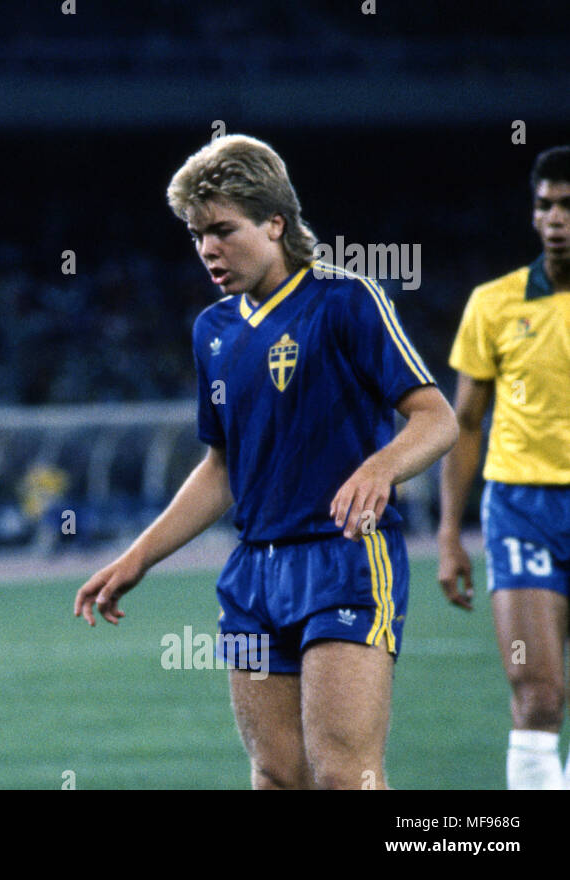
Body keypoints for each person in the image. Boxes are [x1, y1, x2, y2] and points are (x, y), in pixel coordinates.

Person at [74, 134, 457, 789]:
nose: (208, 250)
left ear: (275, 222)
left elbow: (436, 417)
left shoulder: (345, 300)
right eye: (197, 235)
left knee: (344, 776)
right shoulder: (213, 332)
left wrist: (378, 468)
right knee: (278, 776)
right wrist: (136, 558)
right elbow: (222, 469)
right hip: (252, 575)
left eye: (223, 229)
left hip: (344, 561)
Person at [437, 145, 570, 790]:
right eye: (545, 205)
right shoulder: (493, 304)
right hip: (522, 509)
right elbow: (463, 424)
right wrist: (448, 535)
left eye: (568, 206)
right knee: (539, 695)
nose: (555, 219)